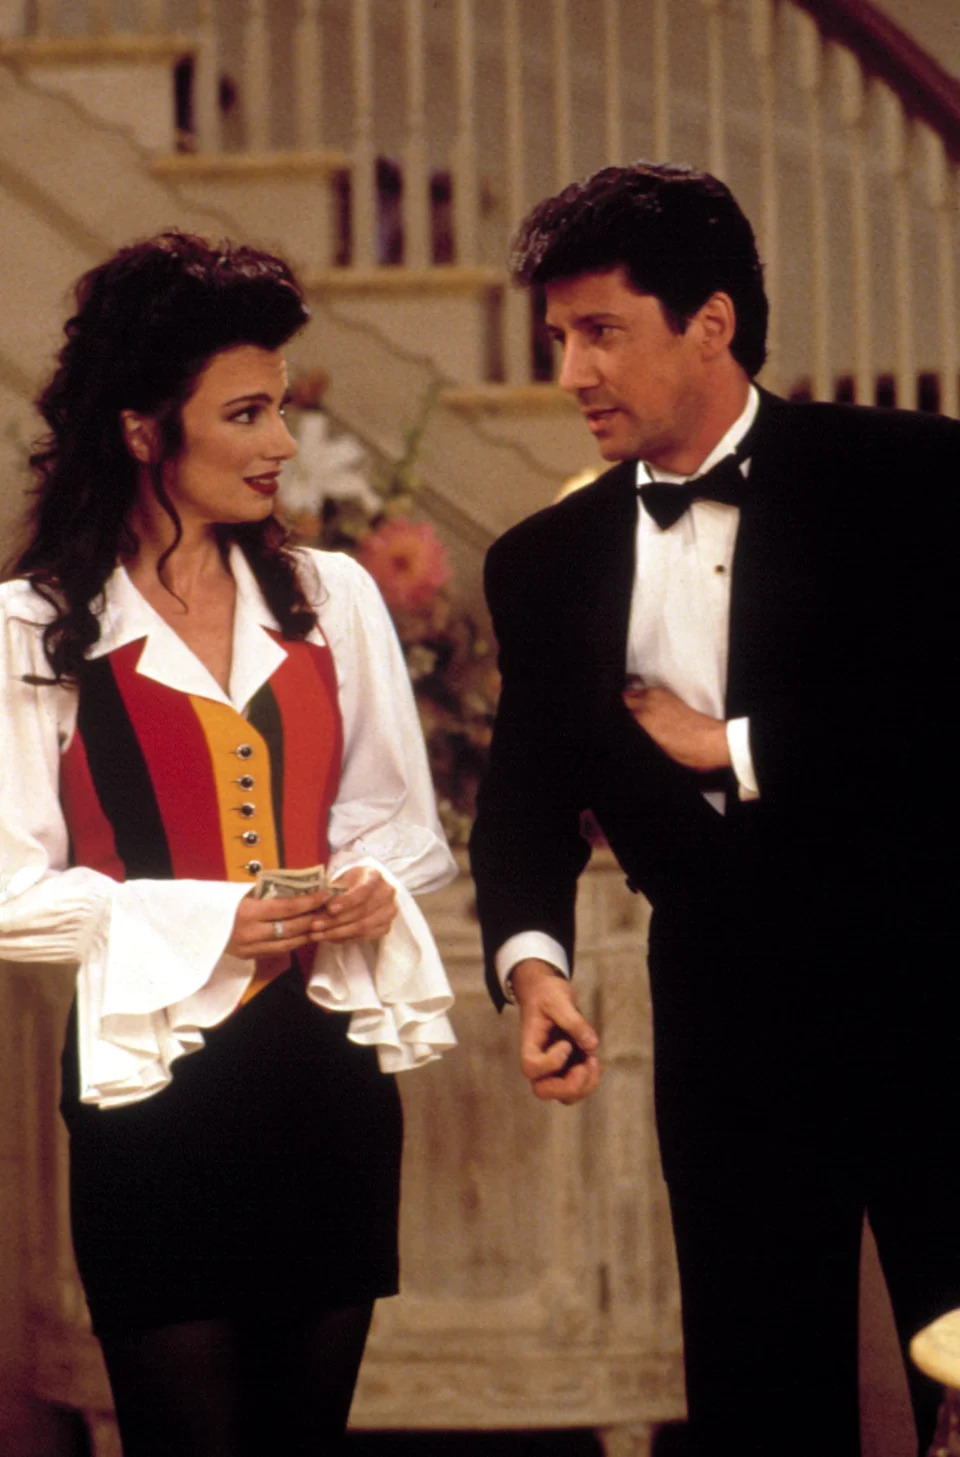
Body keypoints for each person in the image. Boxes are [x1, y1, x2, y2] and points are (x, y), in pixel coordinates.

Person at [469, 163, 960, 1457]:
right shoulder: (542, 564)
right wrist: (535, 969)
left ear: (713, 324)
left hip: (937, 1006)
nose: (571, 371)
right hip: (725, 1036)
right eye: (558, 337)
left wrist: (736, 744)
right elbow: (523, 798)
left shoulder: (915, 477)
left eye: (601, 331)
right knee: (757, 1400)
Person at [0, 231, 457, 1456]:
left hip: (327, 1082)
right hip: (153, 1091)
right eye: (247, 413)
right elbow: (7, 890)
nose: (281, 443)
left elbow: (398, 821)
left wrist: (370, 882)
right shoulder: (35, 626)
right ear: (144, 429)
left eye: (281, 407)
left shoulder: (331, 594)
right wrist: (205, 919)